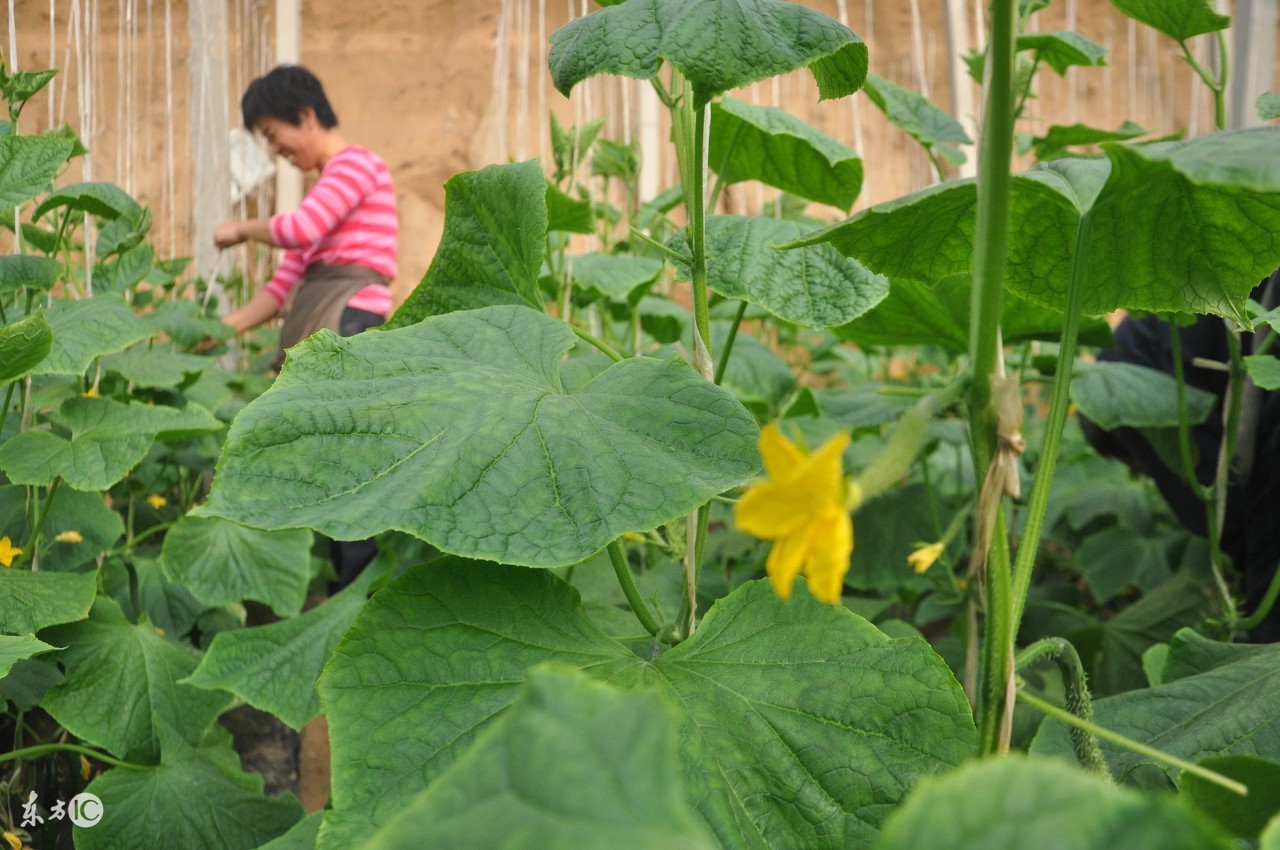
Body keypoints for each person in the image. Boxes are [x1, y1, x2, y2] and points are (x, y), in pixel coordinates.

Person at [215, 64, 397, 588]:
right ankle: (339, 584)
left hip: (354, 322)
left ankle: (359, 587)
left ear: (307, 116)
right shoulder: (326, 193)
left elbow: (299, 229)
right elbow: (278, 291)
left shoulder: (357, 166)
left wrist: (242, 230)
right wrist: (218, 330)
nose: (277, 151)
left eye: (275, 136)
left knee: (351, 458)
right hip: (330, 324)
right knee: (329, 458)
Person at [1081, 271, 1280, 642]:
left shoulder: (1129, 386)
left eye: (1139, 467)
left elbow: (1218, 513)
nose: (1145, 473)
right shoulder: (1147, 340)